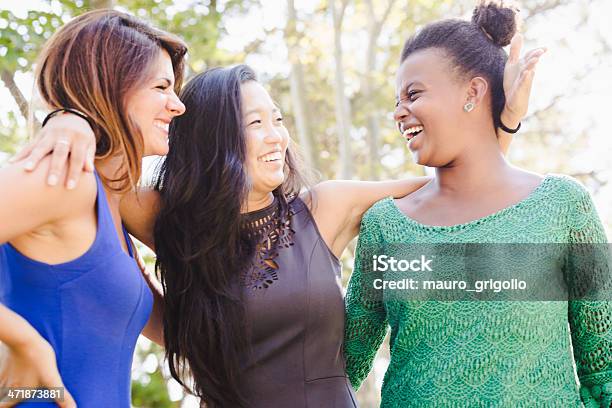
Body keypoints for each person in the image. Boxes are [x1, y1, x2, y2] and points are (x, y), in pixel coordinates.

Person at [12, 15, 543, 408]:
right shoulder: (171, 222)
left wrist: (503, 126)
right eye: (256, 123)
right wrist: (69, 119)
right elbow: (104, 164)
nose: (278, 136)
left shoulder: (325, 207)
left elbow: (452, 192)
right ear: (218, 138)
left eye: (279, 118)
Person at [343, 1, 611, 407]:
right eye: (397, 101)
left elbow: (604, 368)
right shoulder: (386, 225)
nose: (399, 113)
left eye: (413, 94)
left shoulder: (562, 206)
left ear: (473, 91)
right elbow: (341, 367)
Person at [0, 10, 186, 407]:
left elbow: (179, 333)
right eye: (161, 87)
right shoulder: (63, 178)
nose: (177, 105)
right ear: (111, 84)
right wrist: (24, 343)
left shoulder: (112, 206)